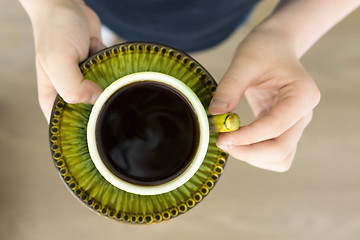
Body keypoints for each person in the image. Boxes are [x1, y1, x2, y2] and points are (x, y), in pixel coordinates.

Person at [19, 0, 360, 172]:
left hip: (216, 18)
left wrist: (286, 31)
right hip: (99, 7)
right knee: (102, 34)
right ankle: (102, 38)